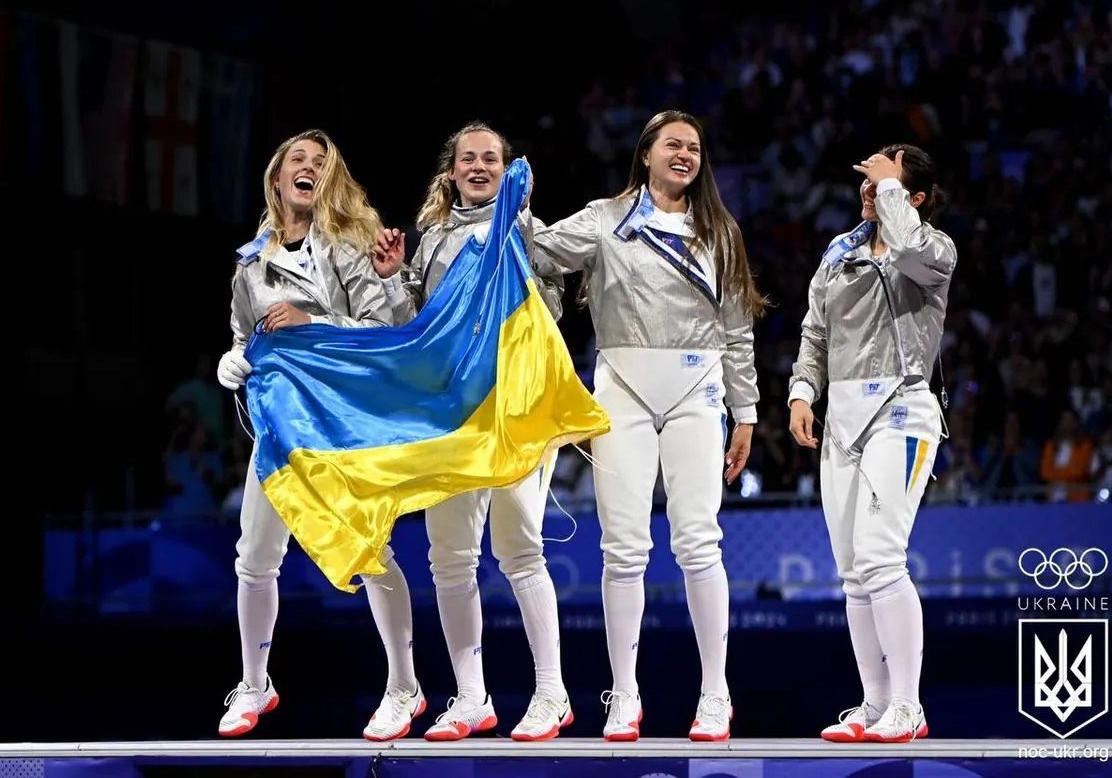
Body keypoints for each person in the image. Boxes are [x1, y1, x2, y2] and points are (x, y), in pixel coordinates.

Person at [528, 110, 766, 743]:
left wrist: (745, 411)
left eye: (694, 146)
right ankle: (624, 694)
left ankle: (715, 693)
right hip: (621, 392)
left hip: (697, 391)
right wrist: (511, 208)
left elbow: (737, 327)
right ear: (646, 154)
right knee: (624, 548)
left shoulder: (719, 230)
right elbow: (538, 249)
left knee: (698, 543)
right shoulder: (606, 218)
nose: (685, 154)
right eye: (673, 145)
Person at [214, 129, 425, 741]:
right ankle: (255, 683)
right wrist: (233, 361)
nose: (308, 168)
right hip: (280, 428)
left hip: (340, 424)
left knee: (369, 552)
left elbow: (385, 329)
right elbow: (242, 334)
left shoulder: (350, 246)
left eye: (320, 163)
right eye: (298, 160)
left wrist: (313, 321)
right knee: (253, 559)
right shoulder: (250, 262)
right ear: (278, 177)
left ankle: (404, 687)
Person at [370, 122, 572, 742]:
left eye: (491, 158)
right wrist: (390, 276)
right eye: (469, 159)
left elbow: (553, 307)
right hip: (451, 415)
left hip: (512, 408)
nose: (480, 166)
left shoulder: (525, 228)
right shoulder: (429, 239)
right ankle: (471, 697)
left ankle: (551, 693)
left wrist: (515, 244)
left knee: (518, 550)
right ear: (451, 170)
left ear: (503, 168)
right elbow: (415, 330)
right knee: (449, 558)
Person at [787, 144, 955, 743]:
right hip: (844, 424)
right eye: (867, 177)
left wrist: (891, 194)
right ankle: (876, 705)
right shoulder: (839, 253)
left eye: (885, 178)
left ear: (911, 197)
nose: (869, 185)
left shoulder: (933, 249)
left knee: (882, 557)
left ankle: (910, 706)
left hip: (904, 412)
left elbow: (908, 247)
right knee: (854, 573)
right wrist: (802, 392)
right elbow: (815, 330)